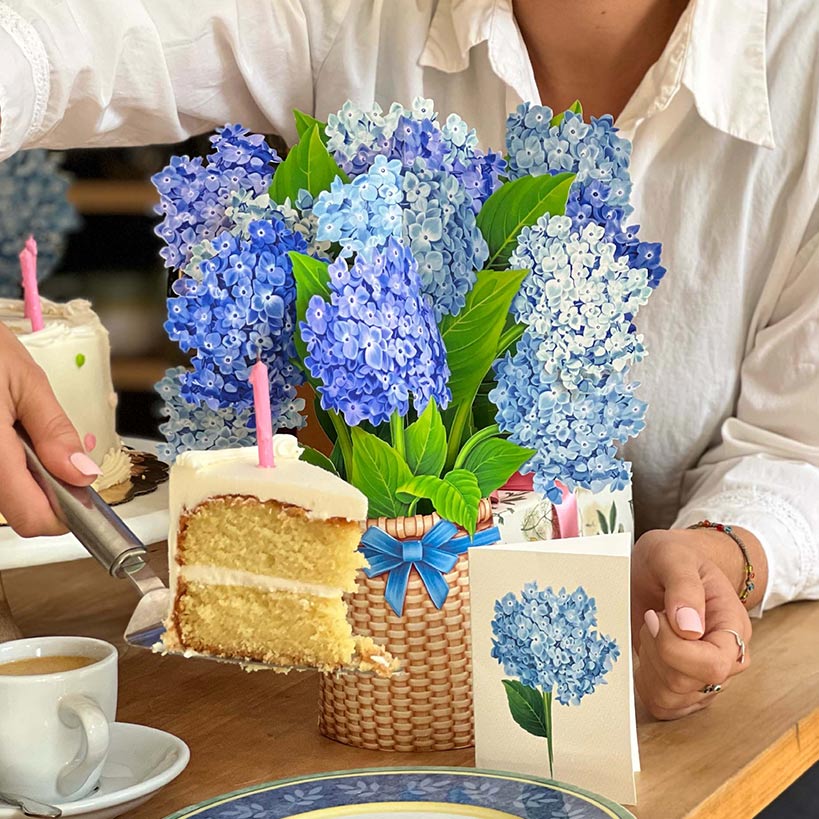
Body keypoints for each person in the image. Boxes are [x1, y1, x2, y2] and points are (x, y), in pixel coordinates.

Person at [0, 0, 817, 724]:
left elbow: (797, 449)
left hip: (697, 730)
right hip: (348, 694)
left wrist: (719, 556)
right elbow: (49, 38)